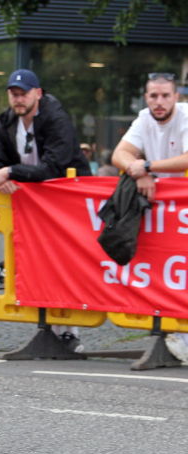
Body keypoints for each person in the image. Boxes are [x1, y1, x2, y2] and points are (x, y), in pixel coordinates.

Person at [0, 69, 91, 351]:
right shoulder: (6, 121)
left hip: (68, 200)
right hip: (35, 203)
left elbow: (53, 167)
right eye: (13, 94)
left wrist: (11, 171)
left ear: (38, 94)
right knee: (39, 260)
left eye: (24, 93)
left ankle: (69, 331)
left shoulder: (57, 119)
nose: (18, 99)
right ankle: (47, 328)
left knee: (66, 262)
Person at [111, 72, 188, 359]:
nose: (159, 102)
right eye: (153, 96)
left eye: (165, 95)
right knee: (167, 268)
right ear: (146, 97)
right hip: (168, 207)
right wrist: (139, 170)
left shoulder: (185, 116)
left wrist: (149, 167)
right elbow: (120, 154)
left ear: (176, 97)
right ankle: (172, 329)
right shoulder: (144, 118)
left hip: (180, 204)